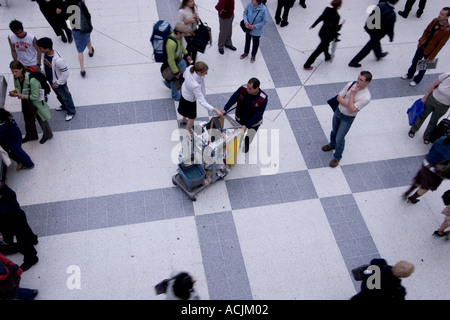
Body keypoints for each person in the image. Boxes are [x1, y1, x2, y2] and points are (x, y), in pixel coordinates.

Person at [322, 71, 372, 167]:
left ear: (367, 83)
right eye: (358, 78)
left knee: (340, 137)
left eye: (361, 80)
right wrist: (349, 104)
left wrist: (352, 95)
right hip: (338, 111)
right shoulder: (351, 84)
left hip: (347, 118)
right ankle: (332, 144)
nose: (357, 81)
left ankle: (337, 157)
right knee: (334, 131)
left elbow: (351, 110)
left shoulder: (366, 97)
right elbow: (339, 97)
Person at [401, 8, 450, 87]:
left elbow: (440, 45)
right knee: (415, 61)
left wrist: (431, 57)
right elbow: (426, 30)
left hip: (430, 50)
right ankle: (409, 74)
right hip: (423, 45)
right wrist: (421, 40)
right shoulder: (435, 21)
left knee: (423, 67)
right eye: (440, 13)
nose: (439, 15)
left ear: (447, 17)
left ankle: (417, 80)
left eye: (442, 14)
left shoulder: (447, 30)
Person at [220, 77, 268, 153]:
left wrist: (246, 125)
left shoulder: (263, 98)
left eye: (250, 89)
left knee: (250, 135)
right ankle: (238, 142)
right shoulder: (243, 88)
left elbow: (258, 115)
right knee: (238, 133)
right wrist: (225, 109)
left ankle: (246, 144)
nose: (247, 89)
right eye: (247, 87)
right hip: (240, 119)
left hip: (254, 123)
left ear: (257, 88)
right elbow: (233, 98)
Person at [10, 61, 53, 145]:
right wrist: (16, 93)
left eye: (16, 71)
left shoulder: (32, 80)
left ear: (21, 69)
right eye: (12, 71)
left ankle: (48, 134)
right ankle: (31, 135)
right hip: (26, 101)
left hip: (36, 101)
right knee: (28, 118)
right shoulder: (16, 77)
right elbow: (17, 86)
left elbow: (35, 96)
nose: (14, 74)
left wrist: (22, 95)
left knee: (41, 118)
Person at [0, 182, 39, 272]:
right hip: (19, 216)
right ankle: (33, 239)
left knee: (23, 242)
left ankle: (31, 259)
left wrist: (6, 240)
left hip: (13, 223)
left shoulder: (4, 209)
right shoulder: (7, 191)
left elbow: (5, 226)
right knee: (26, 231)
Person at [36, 37, 77, 122]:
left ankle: (71, 111)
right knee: (59, 95)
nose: (39, 50)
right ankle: (64, 106)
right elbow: (44, 64)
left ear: (47, 48)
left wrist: (57, 83)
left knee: (66, 97)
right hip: (51, 80)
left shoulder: (58, 60)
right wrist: (43, 71)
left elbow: (65, 73)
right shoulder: (45, 54)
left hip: (59, 83)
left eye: (40, 48)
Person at [348, 0, 398, 68]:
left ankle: (379, 54)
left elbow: (371, 15)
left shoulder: (380, 5)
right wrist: (391, 37)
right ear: (396, 2)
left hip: (370, 28)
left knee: (375, 41)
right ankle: (354, 62)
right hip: (378, 32)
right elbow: (390, 28)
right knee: (369, 47)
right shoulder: (392, 14)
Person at [403, 135, 450, 203]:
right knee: (425, 187)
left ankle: (407, 192)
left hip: (426, 164)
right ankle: (412, 198)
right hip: (435, 172)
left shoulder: (442, 139)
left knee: (419, 179)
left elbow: (432, 148)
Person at [177, 62, 222, 134]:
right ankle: (188, 133)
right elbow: (202, 101)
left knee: (185, 110)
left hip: (184, 92)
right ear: (198, 72)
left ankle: (184, 120)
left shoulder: (190, 68)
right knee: (192, 117)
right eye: (205, 72)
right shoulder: (195, 85)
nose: (206, 73)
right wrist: (215, 110)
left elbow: (184, 76)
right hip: (190, 99)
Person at [408, 72, 450, 144]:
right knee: (422, 115)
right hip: (432, 99)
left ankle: (427, 136)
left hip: (443, 106)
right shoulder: (447, 75)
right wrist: (425, 96)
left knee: (433, 121)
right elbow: (433, 85)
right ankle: (414, 129)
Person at [303, 0, 344, 70]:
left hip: (322, 32)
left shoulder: (327, 9)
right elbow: (335, 29)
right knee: (318, 50)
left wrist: (313, 25)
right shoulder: (337, 16)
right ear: (339, 6)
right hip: (328, 36)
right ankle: (307, 65)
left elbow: (320, 18)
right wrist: (341, 24)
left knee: (325, 45)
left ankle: (327, 57)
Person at [161, 23, 193, 102]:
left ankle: (168, 83)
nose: (185, 34)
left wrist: (186, 54)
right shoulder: (171, 44)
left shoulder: (179, 38)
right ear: (178, 32)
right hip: (175, 64)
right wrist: (176, 72)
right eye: (184, 33)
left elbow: (181, 47)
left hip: (180, 60)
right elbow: (170, 60)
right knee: (176, 80)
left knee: (182, 76)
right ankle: (175, 95)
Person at [64, 0, 94, 77]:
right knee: (88, 40)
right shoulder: (80, 4)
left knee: (80, 50)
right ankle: (90, 52)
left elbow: (66, 18)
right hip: (85, 27)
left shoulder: (66, 5)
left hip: (75, 30)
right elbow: (88, 15)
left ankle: (82, 70)